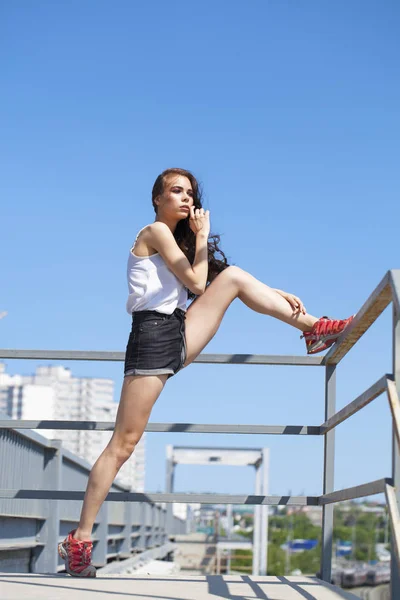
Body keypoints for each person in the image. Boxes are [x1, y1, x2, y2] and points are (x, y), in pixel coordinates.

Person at [58, 168, 353, 577]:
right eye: (176, 191)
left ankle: (315, 328)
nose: (185, 198)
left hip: (177, 329)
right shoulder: (155, 231)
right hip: (151, 338)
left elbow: (221, 281)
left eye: (190, 193)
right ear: (157, 199)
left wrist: (278, 291)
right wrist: (201, 234)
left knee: (232, 277)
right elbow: (198, 284)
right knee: (123, 444)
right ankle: (80, 539)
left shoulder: (177, 242)